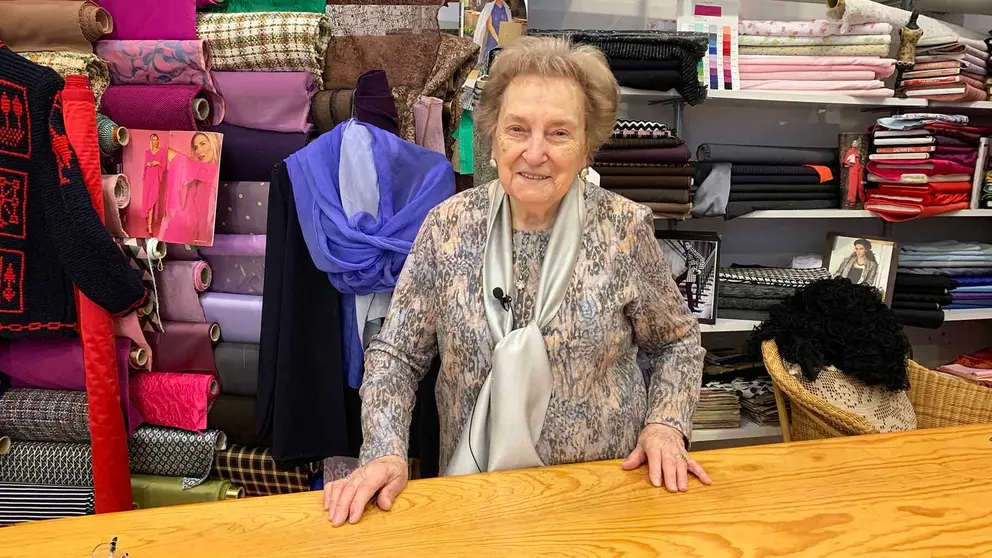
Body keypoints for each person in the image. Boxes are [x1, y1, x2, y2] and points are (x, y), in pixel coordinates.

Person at [324, 36, 709, 527]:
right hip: (476, 500)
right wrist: (383, 450)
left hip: (602, 501)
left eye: (559, 134)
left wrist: (665, 425)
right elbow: (396, 355)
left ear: (588, 143)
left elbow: (677, 343)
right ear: (493, 137)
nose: (534, 152)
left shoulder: (624, 229)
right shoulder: (447, 228)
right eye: (518, 129)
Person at [160, 132, 220, 244]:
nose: (198, 151)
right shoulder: (197, 175)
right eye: (196, 147)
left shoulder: (212, 171)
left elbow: (177, 159)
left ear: (213, 144)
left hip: (192, 232)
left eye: (203, 144)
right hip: (183, 229)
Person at [141, 133, 167, 235]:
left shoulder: (162, 152)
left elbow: (164, 166)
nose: (155, 141)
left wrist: (158, 163)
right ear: (151, 141)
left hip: (155, 178)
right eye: (153, 139)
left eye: (156, 139)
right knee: (147, 200)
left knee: (152, 200)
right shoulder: (147, 152)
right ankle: (148, 224)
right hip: (148, 178)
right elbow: (145, 165)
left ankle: (150, 227)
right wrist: (147, 164)